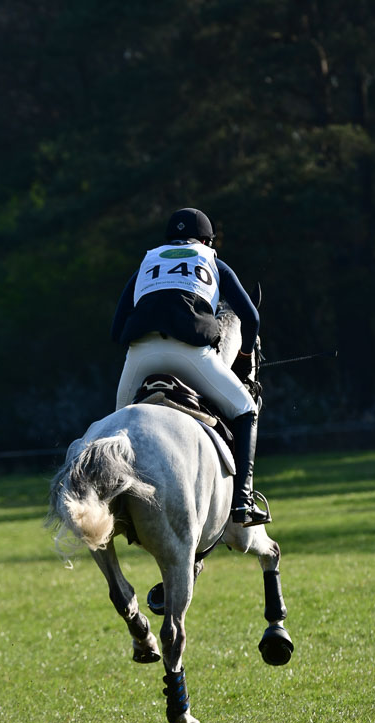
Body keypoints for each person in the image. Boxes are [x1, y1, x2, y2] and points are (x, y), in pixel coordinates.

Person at [111, 207, 269, 526]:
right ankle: (242, 502)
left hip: (140, 355)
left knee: (115, 428)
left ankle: (112, 502)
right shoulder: (213, 261)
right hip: (190, 354)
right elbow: (251, 317)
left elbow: (116, 330)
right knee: (246, 408)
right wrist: (245, 356)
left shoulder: (146, 263)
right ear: (206, 241)